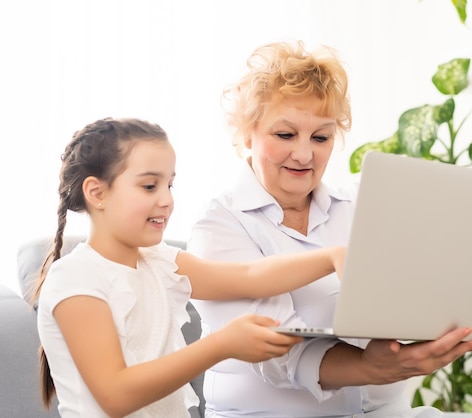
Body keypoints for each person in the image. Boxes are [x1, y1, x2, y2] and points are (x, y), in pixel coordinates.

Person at [188, 41, 472, 418]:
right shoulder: (219, 224)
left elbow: (410, 298)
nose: (304, 154)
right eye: (285, 135)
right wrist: (370, 367)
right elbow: (274, 350)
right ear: (247, 135)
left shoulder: (361, 209)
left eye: (321, 137)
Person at [32, 117, 346, 418]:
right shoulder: (76, 278)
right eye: (149, 186)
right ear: (97, 193)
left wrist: (331, 257)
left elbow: (251, 276)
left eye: (170, 185)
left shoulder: (159, 261)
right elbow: (116, 395)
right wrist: (222, 345)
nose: (167, 200)